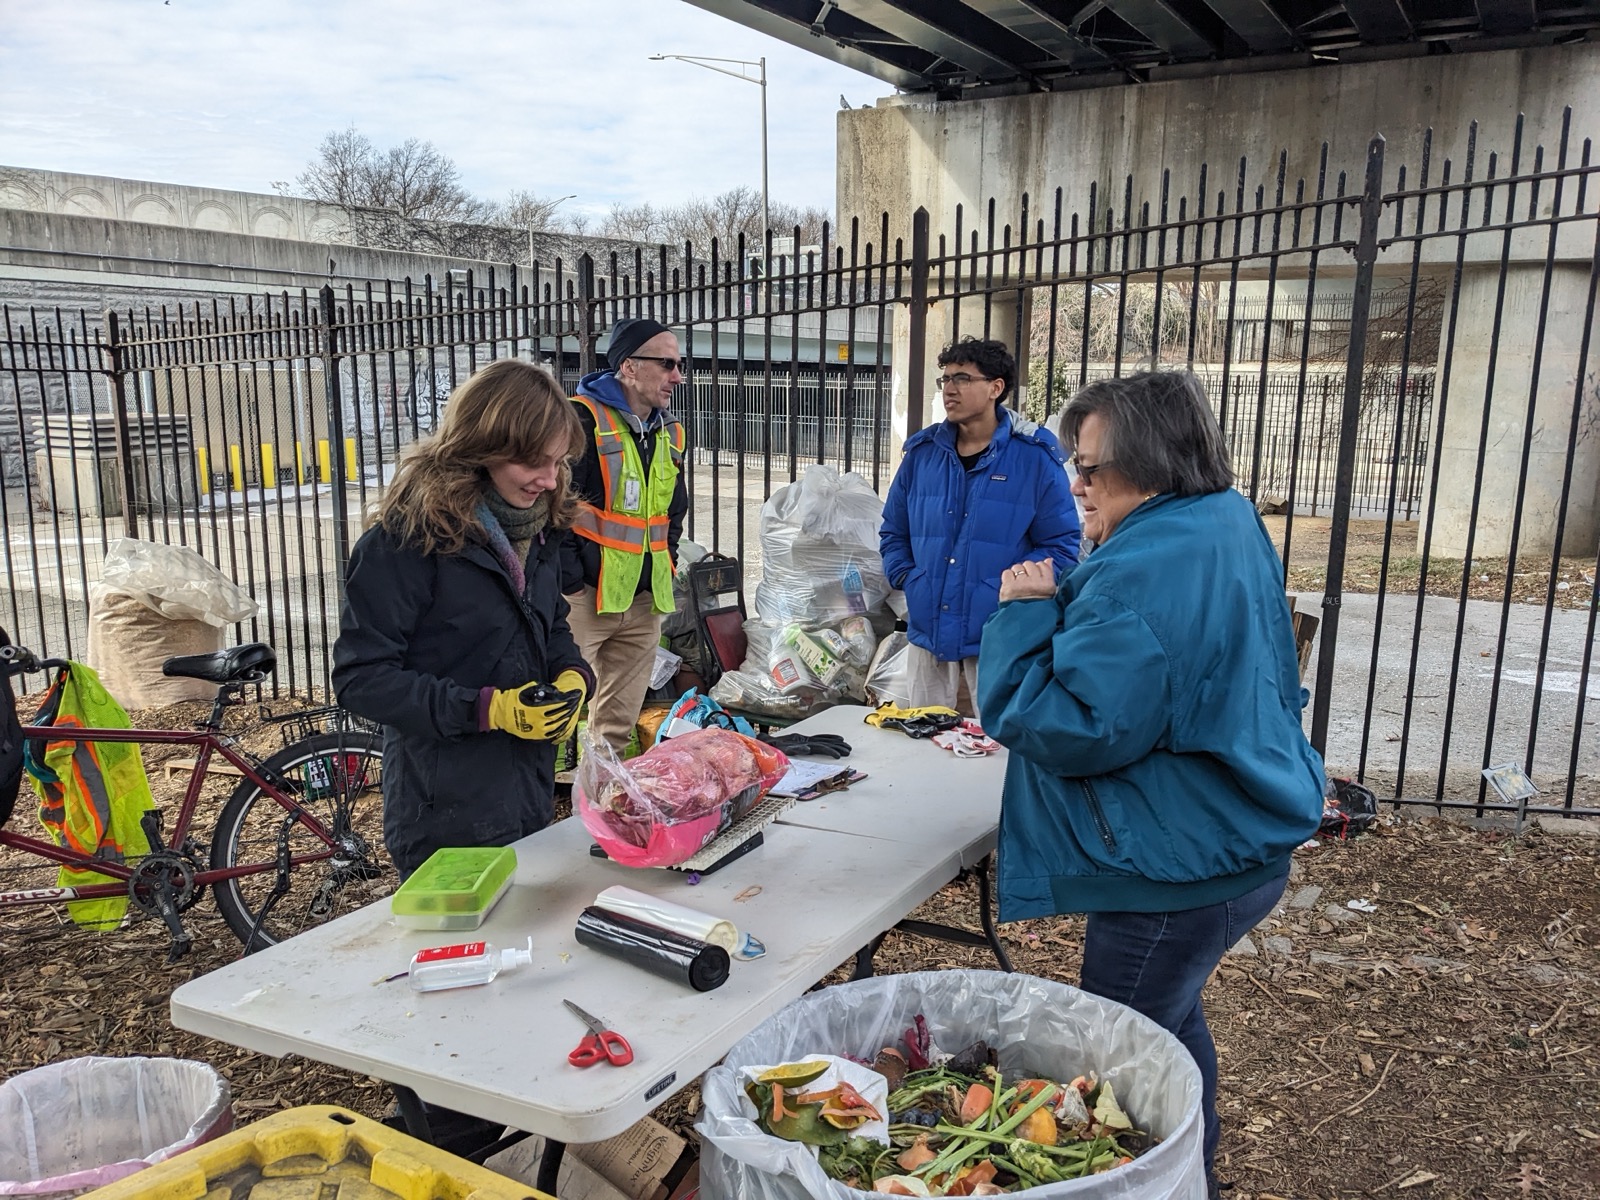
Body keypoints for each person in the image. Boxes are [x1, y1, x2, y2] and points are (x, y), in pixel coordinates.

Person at [976, 370, 1325, 1198]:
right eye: (1076, 464)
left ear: (1152, 461)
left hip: (1176, 871)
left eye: (1090, 467)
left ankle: (1158, 1181)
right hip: (1230, 838)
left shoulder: (1141, 573)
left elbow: (1064, 725)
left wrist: (1025, 609)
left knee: (1119, 1060)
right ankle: (1195, 1173)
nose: (1077, 484)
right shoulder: (1221, 516)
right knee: (1166, 1027)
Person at [333, 358, 595, 879]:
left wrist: (572, 674)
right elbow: (361, 679)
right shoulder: (404, 542)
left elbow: (550, 625)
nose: (549, 480)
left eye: (558, 462)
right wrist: (487, 710)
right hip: (443, 812)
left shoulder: (540, 528)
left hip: (527, 792)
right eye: (534, 463)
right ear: (482, 447)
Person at [878, 336, 1081, 716]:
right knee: (923, 744)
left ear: (995, 388)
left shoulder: (1034, 459)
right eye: (946, 379)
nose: (949, 389)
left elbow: (1060, 547)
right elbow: (893, 531)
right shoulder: (923, 455)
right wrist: (909, 577)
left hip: (996, 644)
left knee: (988, 748)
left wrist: (1001, 590)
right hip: (928, 639)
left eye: (962, 378)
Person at [561, 316, 689, 753]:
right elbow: (553, 505)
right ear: (629, 366)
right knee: (556, 713)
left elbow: (673, 510)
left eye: (680, 364)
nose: (678, 376)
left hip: (642, 601)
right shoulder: (581, 420)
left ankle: (599, 794)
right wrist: (570, 580)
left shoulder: (669, 430)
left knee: (615, 730)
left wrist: (667, 558)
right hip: (584, 600)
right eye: (667, 364)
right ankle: (542, 795)